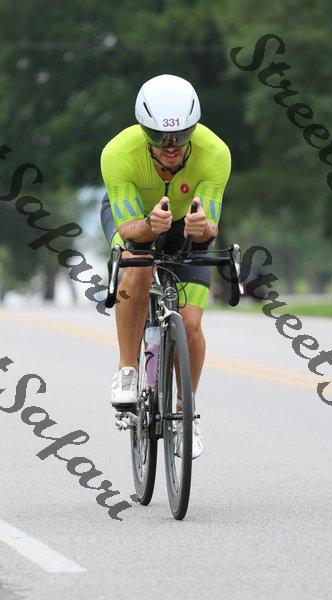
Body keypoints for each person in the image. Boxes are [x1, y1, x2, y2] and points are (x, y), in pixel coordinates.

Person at [100, 74, 231, 458]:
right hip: (136, 221)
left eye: (181, 135)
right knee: (138, 264)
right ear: (144, 129)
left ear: (194, 127)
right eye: (159, 136)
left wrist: (202, 227)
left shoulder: (215, 152)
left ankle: (186, 411)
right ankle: (127, 369)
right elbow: (129, 231)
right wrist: (149, 226)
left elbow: (209, 227)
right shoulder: (117, 153)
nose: (171, 146)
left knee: (190, 324)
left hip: (185, 225)